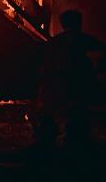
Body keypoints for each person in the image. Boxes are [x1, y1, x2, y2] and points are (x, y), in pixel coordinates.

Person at [32, 10, 105, 150]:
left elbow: (43, 67)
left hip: (54, 88)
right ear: (79, 23)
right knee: (78, 111)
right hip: (76, 87)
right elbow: (101, 49)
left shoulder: (54, 42)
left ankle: (54, 136)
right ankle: (76, 136)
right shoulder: (83, 39)